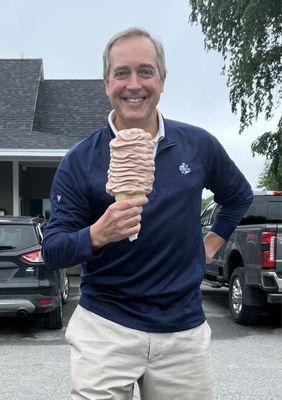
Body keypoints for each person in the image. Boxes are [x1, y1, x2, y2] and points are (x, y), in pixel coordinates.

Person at [42, 27, 253, 400]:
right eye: (122, 73)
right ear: (106, 82)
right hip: (105, 325)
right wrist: (96, 234)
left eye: (146, 71)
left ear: (162, 79)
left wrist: (211, 242)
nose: (134, 84)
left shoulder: (197, 145)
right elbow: (53, 249)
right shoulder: (79, 161)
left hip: (182, 328)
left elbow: (238, 195)